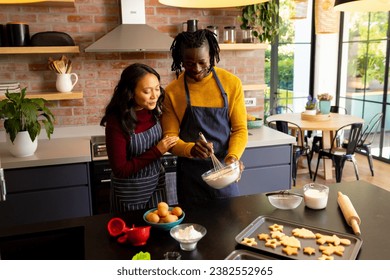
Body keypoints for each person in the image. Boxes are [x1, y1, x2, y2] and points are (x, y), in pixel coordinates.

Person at [161, 29, 248, 206]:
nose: (197, 69)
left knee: (229, 227)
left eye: (202, 62)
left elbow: (239, 129)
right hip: (190, 178)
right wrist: (190, 149)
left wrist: (233, 158)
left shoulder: (231, 84)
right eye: (190, 63)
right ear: (180, 60)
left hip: (224, 172)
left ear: (212, 55)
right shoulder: (172, 92)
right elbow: (170, 139)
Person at [100, 63, 178, 213]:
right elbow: (120, 170)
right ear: (130, 93)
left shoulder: (154, 112)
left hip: (156, 187)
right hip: (129, 194)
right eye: (147, 91)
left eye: (157, 89)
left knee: (158, 232)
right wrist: (157, 151)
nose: (155, 96)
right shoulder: (116, 122)